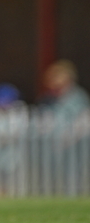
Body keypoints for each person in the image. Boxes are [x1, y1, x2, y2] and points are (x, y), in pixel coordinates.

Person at [41, 59, 90, 196]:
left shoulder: (78, 98)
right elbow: (43, 120)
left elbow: (83, 122)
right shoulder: (48, 100)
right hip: (53, 148)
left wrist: (68, 138)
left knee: (74, 180)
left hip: (75, 149)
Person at [0, 83, 28, 197]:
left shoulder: (18, 114)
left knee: (13, 181)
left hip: (14, 156)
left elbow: (17, 133)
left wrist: (0, 140)